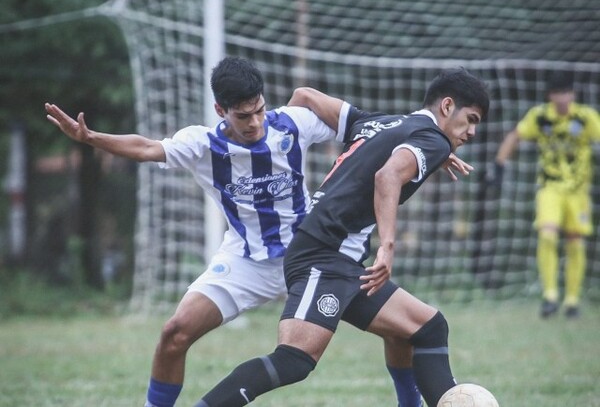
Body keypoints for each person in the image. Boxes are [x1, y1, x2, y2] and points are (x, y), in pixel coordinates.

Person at [46, 57, 464, 407]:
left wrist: (427, 146)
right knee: (175, 333)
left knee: (408, 328)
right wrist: (91, 138)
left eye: (260, 109)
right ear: (220, 111)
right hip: (247, 261)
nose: (255, 122)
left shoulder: (292, 124)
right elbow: (145, 148)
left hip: (317, 253)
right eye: (243, 115)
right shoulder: (203, 144)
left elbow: (367, 129)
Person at [193, 67, 490, 407]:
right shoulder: (430, 139)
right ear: (447, 106)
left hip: (338, 259)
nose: (471, 132)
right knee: (294, 359)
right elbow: (388, 176)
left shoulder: (383, 123)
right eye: (470, 119)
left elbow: (304, 96)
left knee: (427, 327)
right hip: (324, 255)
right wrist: (388, 247)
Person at [493, 70, 600, 319]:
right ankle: (550, 295)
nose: (561, 98)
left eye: (565, 93)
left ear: (573, 94)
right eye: (557, 93)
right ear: (550, 95)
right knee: (548, 236)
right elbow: (515, 136)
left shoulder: (585, 117)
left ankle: (572, 300)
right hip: (549, 188)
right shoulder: (540, 116)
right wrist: (499, 166)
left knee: (575, 242)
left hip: (578, 192)